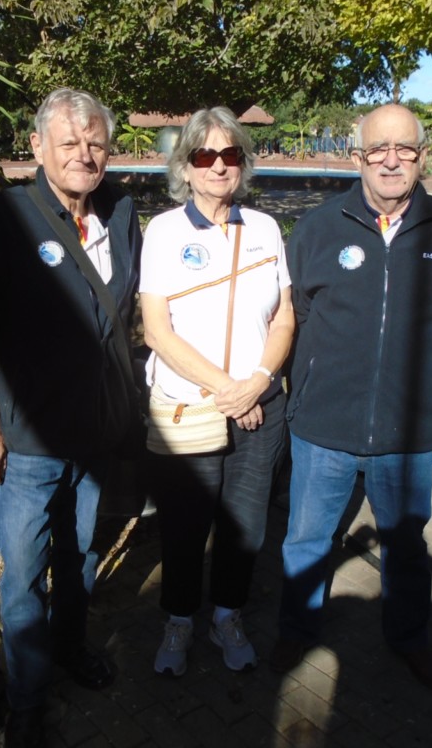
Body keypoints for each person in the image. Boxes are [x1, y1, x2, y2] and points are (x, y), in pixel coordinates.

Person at [271, 104, 432, 690]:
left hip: (407, 425)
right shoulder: (318, 228)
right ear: (357, 156)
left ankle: (409, 638)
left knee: (405, 542)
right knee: (307, 538)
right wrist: (322, 370)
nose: (391, 160)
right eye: (378, 149)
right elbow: (300, 314)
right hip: (322, 423)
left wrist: (427, 360)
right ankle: (297, 628)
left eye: (405, 149)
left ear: (422, 155)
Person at [0, 88, 142, 748]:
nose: (85, 155)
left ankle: (70, 648)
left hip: (95, 433)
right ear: (37, 148)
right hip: (28, 445)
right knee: (26, 574)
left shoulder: (121, 215)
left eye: (96, 143)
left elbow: (123, 316)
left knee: (82, 553)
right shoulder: (4, 220)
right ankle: (27, 700)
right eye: (70, 143)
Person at [140, 107, 295, 676]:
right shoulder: (163, 231)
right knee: (185, 527)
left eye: (230, 155)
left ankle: (226, 614)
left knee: (246, 526)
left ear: (243, 163)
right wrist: (230, 390)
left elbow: (283, 319)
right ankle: (179, 620)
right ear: (185, 165)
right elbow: (157, 329)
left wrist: (257, 383)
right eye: (205, 155)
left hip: (260, 406)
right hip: (192, 407)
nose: (218, 166)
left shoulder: (265, 228)